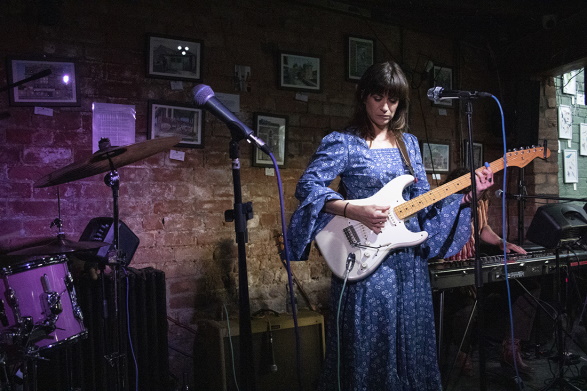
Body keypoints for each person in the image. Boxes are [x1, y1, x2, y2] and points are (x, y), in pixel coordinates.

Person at [286, 61, 493, 391]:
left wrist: (465, 196)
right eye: (378, 98)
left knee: (412, 342)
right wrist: (355, 209)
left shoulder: (408, 143)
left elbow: (424, 200)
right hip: (367, 259)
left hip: (407, 262)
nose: (385, 107)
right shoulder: (344, 142)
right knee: (372, 341)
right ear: (363, 97)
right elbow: (308, 187)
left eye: (393, 100)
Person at [441, 167, 538, 378]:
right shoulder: (446, 202)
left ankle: (510, 349)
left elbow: (483, 227)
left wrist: (501, 242)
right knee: (465, 304)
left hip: (473, 260)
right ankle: (461, 353)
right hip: (449, 265)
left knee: (526, 286)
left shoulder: (481, 201)